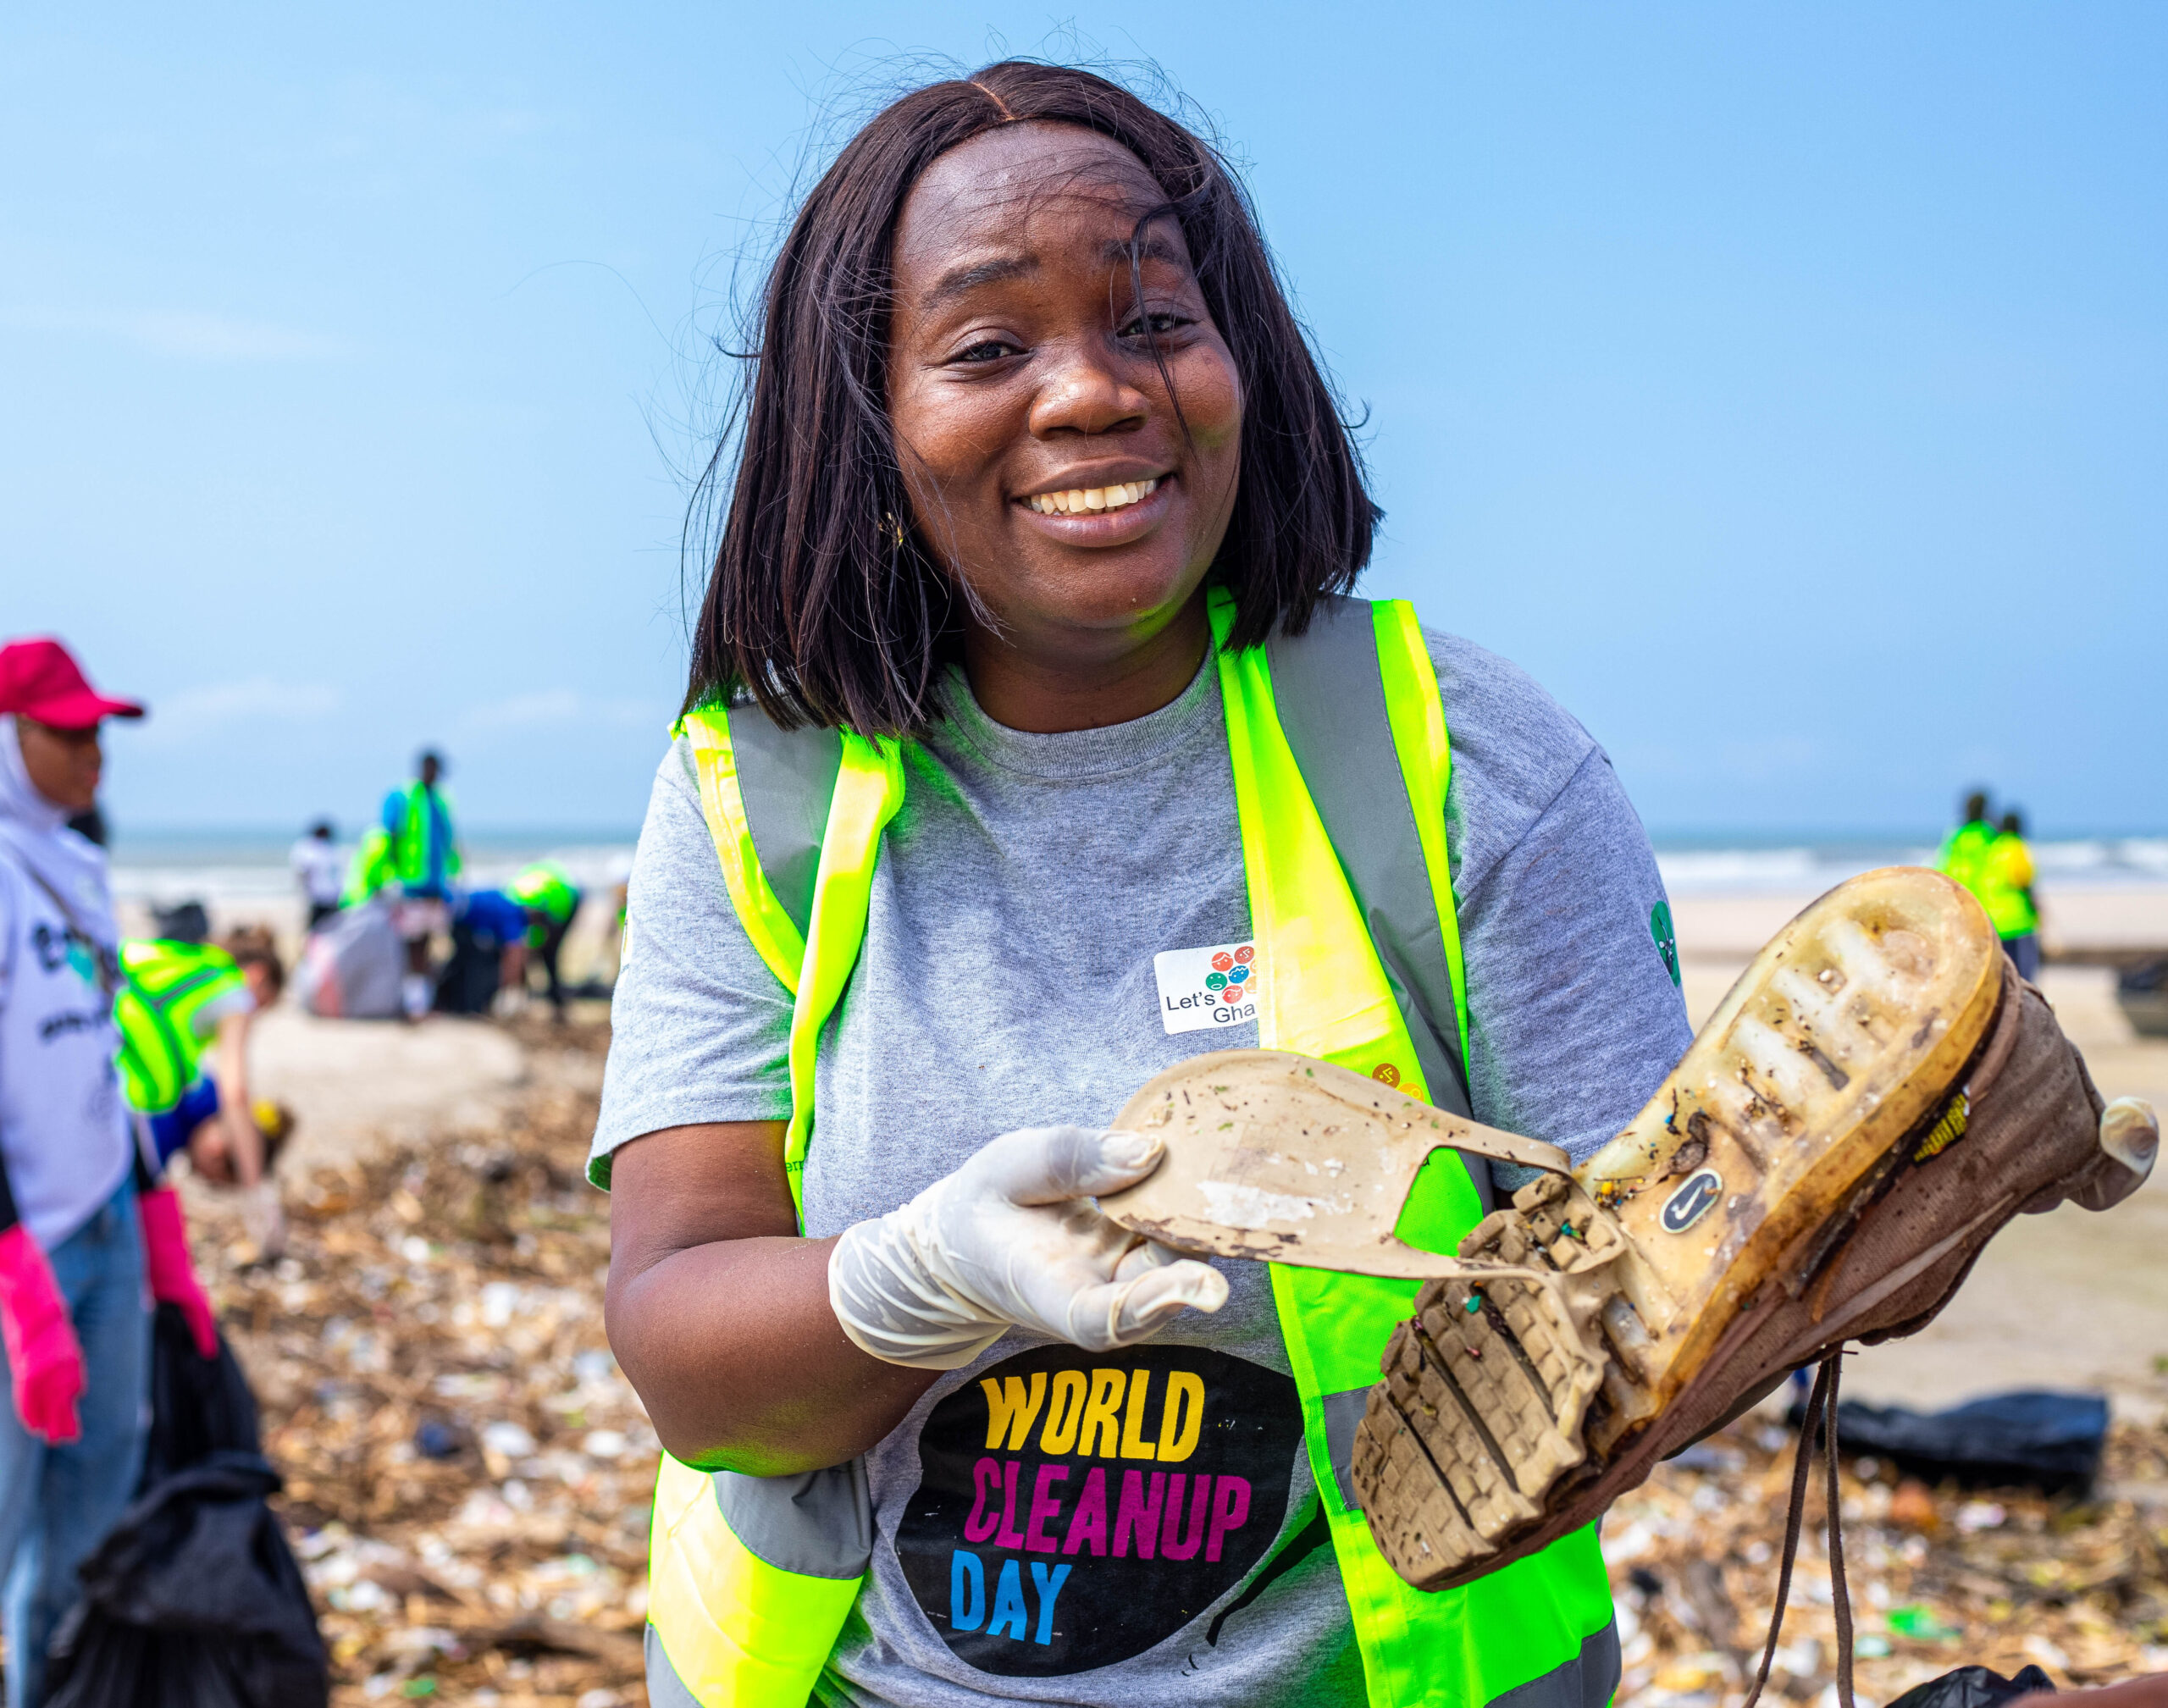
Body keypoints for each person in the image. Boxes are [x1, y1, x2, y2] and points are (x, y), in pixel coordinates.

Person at [595, 66, 1692, 1708]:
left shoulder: (1462, 766)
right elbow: (687, 1355)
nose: (1093, 393)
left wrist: (1852, 1229)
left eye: (1152, 320)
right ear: (868, 420)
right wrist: (919, 1276)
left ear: (1237, 360)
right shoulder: (757, 792)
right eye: (985, 348)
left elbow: (1667, 1301)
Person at [0, 638, 218, 1708]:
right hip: (19, 1255)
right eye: (69, 732)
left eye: (100, 732)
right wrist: (12, 1261)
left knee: (93, 1515)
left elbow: (89, 1052)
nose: (96, 755)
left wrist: (154, 1220)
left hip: (104, 1223)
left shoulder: (72, 868)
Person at [119, 928, 289, 1255]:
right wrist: (255, 1191)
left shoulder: (188, 959)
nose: (254, 1016)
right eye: (262, 1005)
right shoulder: (233, 988)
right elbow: (235, 1092)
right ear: (258, 975)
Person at [381, 750, 460, 1021]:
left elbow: (448, 842)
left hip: (435, 887)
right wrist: (391, 875)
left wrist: (453, 877)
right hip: (410, 885)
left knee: (426, 944)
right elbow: (388, 836)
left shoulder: (440, 800)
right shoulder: (402, 796)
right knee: (409, 945)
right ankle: (410, 1001)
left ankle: (421, 1001)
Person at [434, 885, 532, 1015]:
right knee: (477, 966)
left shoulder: (508, 905)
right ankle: (468, 1006)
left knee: (468, 963)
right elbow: (513, 957)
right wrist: (508, 989)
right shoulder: (513, 916)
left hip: (458, 913)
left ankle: (458, 1004)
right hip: (458, 917)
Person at [506, 859, 583, 1019]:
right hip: (544, 892)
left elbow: (551, 930)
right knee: (526, 951)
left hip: (569, 897)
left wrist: (539, 946)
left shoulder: (558, 904)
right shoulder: (512, 901)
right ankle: (526, 999)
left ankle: (558, 1003)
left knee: (550, 953)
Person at [1982, 808, 2042, 981]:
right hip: (2018, 921)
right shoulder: (2016, 847)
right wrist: (2036, 909)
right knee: (2024, 976)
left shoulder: (1992, 849)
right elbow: (2025, 881)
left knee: (2004, 977)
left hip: (1995, 920)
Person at [1935, 789, 1995, 894]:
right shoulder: (1990, 834)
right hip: (1982, 897)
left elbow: (1943, 864)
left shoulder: (1956, 834)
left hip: (1958, 893)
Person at [290, 820, 344, 931]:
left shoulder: (327, 848)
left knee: (329, 928)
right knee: (315, 928)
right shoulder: (308, 848)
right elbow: (302, 872)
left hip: (331, 896)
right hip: (318, 897)